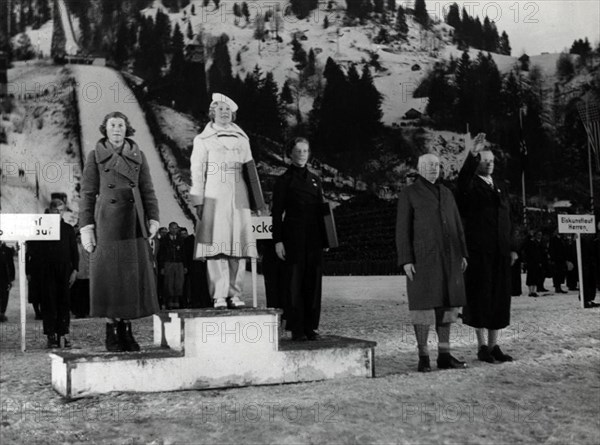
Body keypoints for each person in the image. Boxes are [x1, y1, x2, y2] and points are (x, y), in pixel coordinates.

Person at [79, 111, 160, 352]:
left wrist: (153, 218)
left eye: (121, 125)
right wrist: (86, 227)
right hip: (107, 224)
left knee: (129, 278)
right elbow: (87, 193)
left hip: (133, 222)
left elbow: (148, 190)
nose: (117, 129)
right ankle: (111, 331)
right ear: (105, 129)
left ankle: (126, 329)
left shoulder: (139, 155)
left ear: (127, 129)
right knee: (111, 278)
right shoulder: (95, 156)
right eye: (113, 125)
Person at [396, 153, 469, 372]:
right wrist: (406, 259)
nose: (433, 168)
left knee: (447, 309)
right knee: (423, 310)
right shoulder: (409, 193)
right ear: (419, 168)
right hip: (423, 260)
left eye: (436, 165)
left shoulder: (447, 193)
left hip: (449, 260)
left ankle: (445, 356)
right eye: (428, 165)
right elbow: (402, 229)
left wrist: (462, 253)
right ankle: (423, 357)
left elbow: (457, 225)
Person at [189, 93, 257, 309]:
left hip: (239, 193)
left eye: (228, 109)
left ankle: (235, 293)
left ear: (233, 113)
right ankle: (219, 293)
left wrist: (257, 201)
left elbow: (251, 172)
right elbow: (197, 171)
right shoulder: (202, 140)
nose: (224, 113)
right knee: (216, 245)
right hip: (214, 193)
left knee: (238, 245)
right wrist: (198, 200)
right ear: (212, 112)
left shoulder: (243, 139)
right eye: (220, 109)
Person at [456, 133, 518, 364]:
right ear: (477, 164)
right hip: (480, 252)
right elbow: (461, 181)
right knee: (480, 298)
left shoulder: (501, 187)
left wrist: (512, 247)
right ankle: (481, 346)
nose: (489, 164)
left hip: (501, 253)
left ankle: (494, 346)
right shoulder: (470, 186)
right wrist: (471, 154)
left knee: (499, 299)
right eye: (484, 161)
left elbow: (508, 220)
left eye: (491, 161)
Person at [272, 137, 327, 341]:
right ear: (291, 154)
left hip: (314, 238)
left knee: (313, 282)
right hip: (293, 237)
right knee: (294, 282)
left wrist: (326, 238)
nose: (302, 154)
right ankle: (296, 327)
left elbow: (322, 210)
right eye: (298, 151)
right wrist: (277, 240)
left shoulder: (315, 180)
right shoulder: (283, 181)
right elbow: (277, 213)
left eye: (306, 150)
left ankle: (310, 326)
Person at [27, 199, 78, 348]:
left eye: (61, 210)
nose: (58, 213)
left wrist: (74, 270)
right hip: (46, 271)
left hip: (64, 271)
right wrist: (30, 271)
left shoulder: (68, 229)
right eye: (56, 210)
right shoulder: (42, 228)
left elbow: (74, 252)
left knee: (64, 302)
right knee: (48, 303)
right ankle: (51, 335)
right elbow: (32, 250)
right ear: (50, 211)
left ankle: (63, 334)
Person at [157, 222, 186, 309]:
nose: (174, 230)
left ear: (177, 229)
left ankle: (176, 300)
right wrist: (162, 267)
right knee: (168, 283)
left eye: (175, 228)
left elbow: (184, 254)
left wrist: (185, 266)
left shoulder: (181, 240)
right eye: (172, 228)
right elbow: (161, 254)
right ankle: (169, 301)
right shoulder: (163, 240)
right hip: (168, 263)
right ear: (169, 228)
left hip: (179, 263)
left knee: (178, 283)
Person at [71, 231, 91, 318]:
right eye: (78, 237)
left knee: (86, 295)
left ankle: (86, 311)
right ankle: (79, 312)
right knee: (78, 295)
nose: (79, 238)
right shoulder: (74, 246)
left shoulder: (86, 246)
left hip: (87, 274)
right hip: (78, 275)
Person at [522, 231, 545, 297]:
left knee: (535, 277)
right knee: (530, 277)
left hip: (536, 262)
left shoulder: (537, 243)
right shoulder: (529, 243)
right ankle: (530, 291)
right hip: (531, 262)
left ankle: (533, 291)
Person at [0, 241, 15, 322]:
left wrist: (11, 278)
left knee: (4, 295)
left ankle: (2, 313)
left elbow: (11, 265)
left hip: (4, 277)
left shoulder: (7, 250)